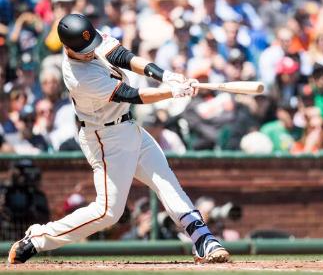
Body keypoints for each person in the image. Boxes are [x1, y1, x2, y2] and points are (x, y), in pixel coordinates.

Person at [8, 14, 230, 264]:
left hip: (128, 127)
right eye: (85, 50)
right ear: (68, 48)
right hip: (105, 138)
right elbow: (131, 95)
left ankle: (203, 238)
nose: (92, 51)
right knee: (107, 213)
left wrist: (165, 75)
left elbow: (122, 56)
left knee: (166, 181)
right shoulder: (78, 76)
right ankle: (38, 238)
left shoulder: (88, 38)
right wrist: (171, 92)